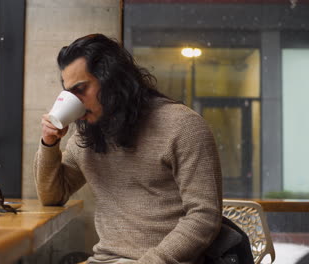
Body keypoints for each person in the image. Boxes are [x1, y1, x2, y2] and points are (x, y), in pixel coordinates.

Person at [34, 34, 222, 264]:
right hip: (104, 259)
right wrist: (49, 144)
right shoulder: (86, 134)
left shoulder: (183, 126)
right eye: (69, 92)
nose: (77, 101)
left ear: (112, 80)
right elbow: (52, 196)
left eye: (81, 89)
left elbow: (204, 217)